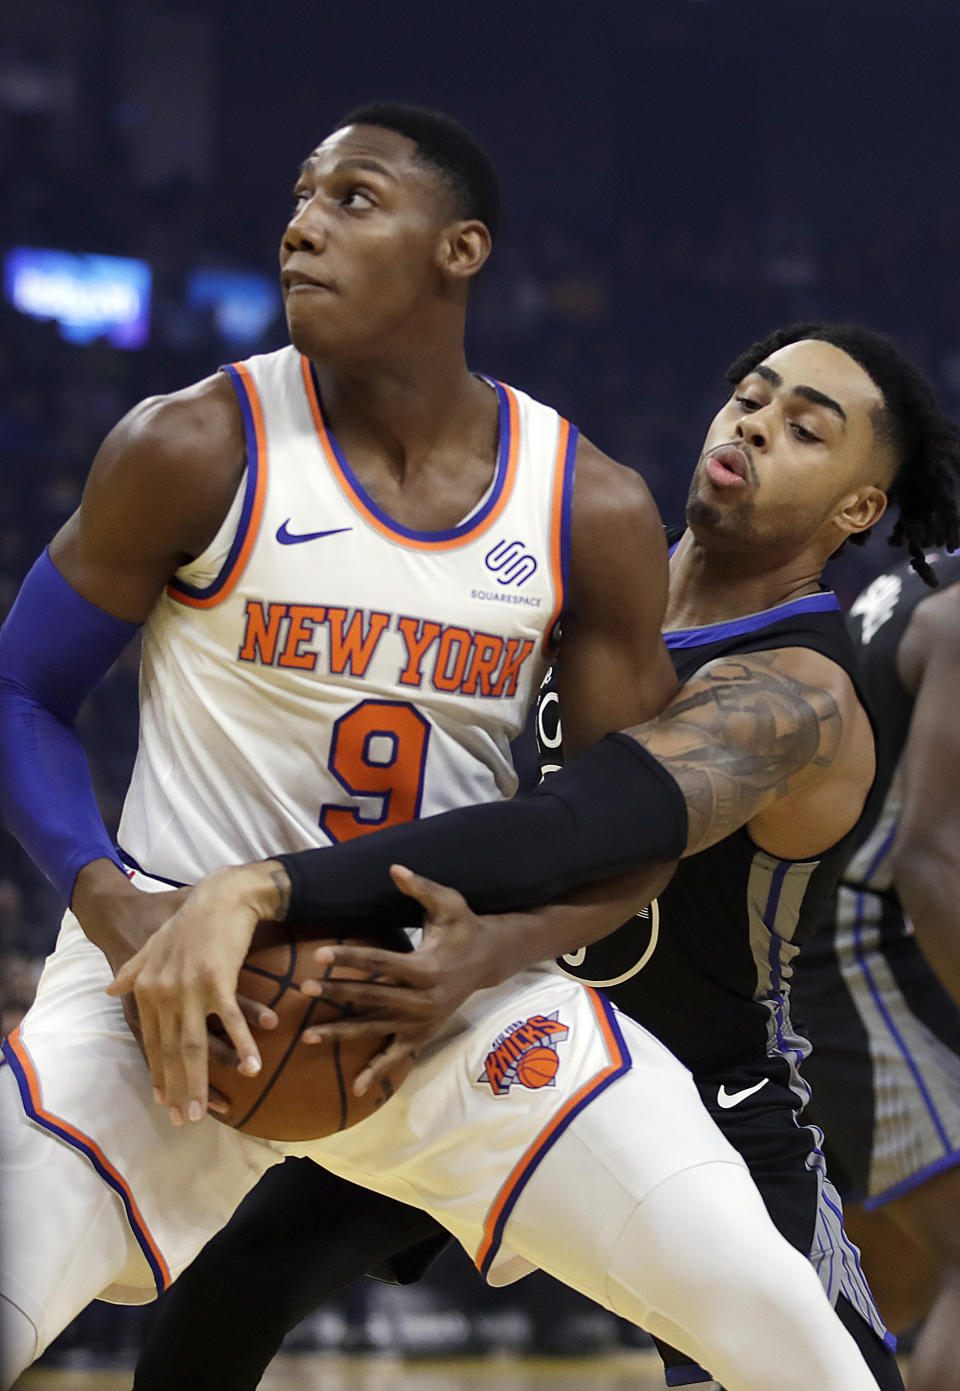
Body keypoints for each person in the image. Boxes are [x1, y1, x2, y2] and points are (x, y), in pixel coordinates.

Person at [0, 103, 867, 1391]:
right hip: (173, 985)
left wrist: (501, 950)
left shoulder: (583, 500)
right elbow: (19, 690)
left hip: (447, 1002)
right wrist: (118, 912)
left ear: (460, 249)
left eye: (352, 199)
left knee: (790, 1336)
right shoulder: (194, 441)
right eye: (299, 197)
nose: (301, 225)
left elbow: (628, 822)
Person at [124, 322, 957, 1390]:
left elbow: (578, 827)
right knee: (240, 1276)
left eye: (806, 428)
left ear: (858, 509)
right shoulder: (596, 585)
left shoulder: (799, 692)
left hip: (704, 1094)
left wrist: (268, 887)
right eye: (752, 392)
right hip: (508, 1027)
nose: (756, 421)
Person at [794, 549, 960, 1391]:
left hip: (825, 943)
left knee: (881, 1291)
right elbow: (929, 855)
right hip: (861, 951)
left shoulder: (919, 579)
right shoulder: (954, 616)